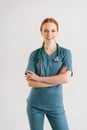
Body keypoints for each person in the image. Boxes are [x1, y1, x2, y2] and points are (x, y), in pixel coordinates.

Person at [25, 18, 73, 130]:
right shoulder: (34, 55)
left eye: (53, 30)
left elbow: (66, 79)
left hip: (56, 106)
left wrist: (39, 78)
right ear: (41, 32)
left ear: (57, 32)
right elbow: (30, 82)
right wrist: (57, 79)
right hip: (34, 105)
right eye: (46, 30)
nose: (49, 34)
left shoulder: (65, 54)